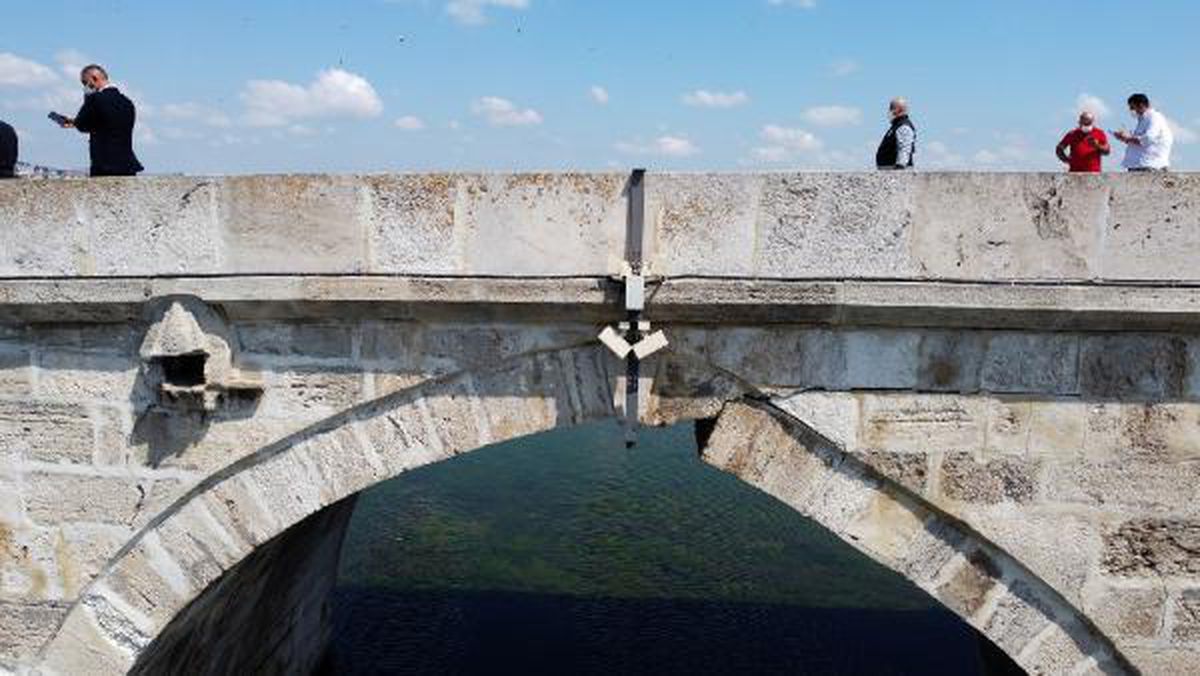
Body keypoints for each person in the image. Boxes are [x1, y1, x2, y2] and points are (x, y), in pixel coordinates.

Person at [55, 64, 144, 177]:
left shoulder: (95, 99)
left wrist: (87, 98)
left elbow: (83, 125)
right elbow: (107, 124)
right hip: (128, 165)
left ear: (94, 78)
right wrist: (75, 122)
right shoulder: (127, 102)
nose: (85, 87)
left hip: (104, 165)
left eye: (85, 83)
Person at [1114, 93, 1173, 172]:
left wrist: (1128, 138)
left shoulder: (1154, 117)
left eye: (1132, 107)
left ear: (1141, 105)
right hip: (1140, 165)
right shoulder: (1143, 119)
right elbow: (1138, 141)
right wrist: (1125, 138)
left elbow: (1148, 138)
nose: (1131, 110)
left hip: (1150, 165)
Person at [875, 98, 916, 170]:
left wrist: (900, 168)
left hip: (895, 172)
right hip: (888, 171)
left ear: (899, 109)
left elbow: (904, 148)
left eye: (891, 108)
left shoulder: (903, 126)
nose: (889, 111)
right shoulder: (896, 126)